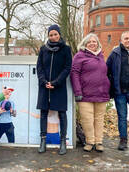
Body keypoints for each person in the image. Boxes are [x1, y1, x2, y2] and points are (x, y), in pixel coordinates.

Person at [70, 33, 110, 152]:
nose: (92, 44)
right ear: (85, 44)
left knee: (99, 119)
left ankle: (98, 142)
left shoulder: (101, 56)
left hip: (101, 93)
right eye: (90, 42)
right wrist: (77, 91)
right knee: (87, 119)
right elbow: (74, 73)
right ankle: (89, 141)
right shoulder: (79, 56)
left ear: (98, 43)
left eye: (95, 42)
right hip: (85, 94)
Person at [36, 24, 72, 155]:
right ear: (48, 36)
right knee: (44, 113)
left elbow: (67, 68)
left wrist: (56, 83)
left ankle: (63, 142)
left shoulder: (66, 49)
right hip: (44, 87)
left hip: (59, 87)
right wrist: (44, 81)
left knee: (62, 113)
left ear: (59, 34)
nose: (53, 37)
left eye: (55, 34)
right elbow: (39, 67)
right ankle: (43, 141)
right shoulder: (43, 49)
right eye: (51, 35)